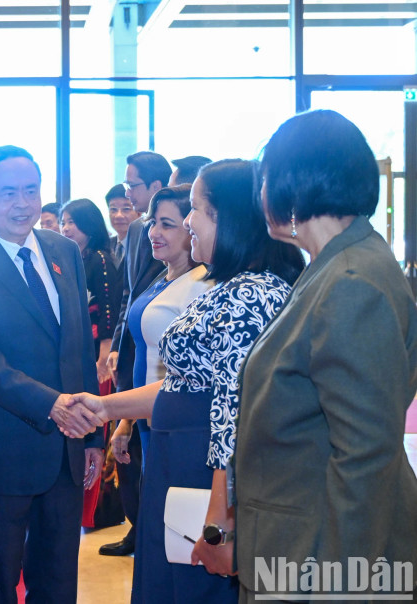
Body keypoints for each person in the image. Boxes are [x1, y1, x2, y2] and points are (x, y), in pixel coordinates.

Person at [68, 159, 304, 603]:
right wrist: (108, 408)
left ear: (227, 219)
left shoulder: (250, 294)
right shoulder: (230, 286)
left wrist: (218, 522)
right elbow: (188, 385)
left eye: (195, 209)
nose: (189, 222)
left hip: (205, 471)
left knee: (195, 586)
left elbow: (229, 416)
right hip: (180, 460)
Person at [235, 110, 417, 602]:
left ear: (291, 183)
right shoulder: (334, 265)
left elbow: (365, 456)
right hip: (294, 545)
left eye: (265, 178)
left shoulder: (351, 282)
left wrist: (342, 587)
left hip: (319, 558)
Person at [0, 145, 104, 603]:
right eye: (8, 192)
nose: (23, 203)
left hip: (67, 451)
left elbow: (79, 349)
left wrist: (92, 437)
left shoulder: (64, 251)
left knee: (57, 584)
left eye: (31, 190)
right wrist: (52, 404)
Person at [111, 184, 213, 473]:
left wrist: (110, 408)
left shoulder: (203, 283)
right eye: (153, 223)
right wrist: (127, 419)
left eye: (166, 225)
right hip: (148, 416)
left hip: (177, 421)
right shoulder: (162, 275)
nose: (153, 233)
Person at [99, 151, 171, 557]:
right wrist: (117, 342)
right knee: (129, 447)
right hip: (132, 349)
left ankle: (143, 529)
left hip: (151, 358)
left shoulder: (152, 235)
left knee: (140, 446)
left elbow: (142, 297)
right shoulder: (134, 235)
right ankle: (136, 526)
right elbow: (128, 298)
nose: (127, 193)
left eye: (133, 186)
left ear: (155, 187)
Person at [59, 198, 121, 384]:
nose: (66, 228)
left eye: (72, 222)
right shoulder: (73, 259)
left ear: (88, 223)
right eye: (63, 223)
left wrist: (105, 351)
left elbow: (108, 307)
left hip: (96, 346)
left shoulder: (99, 259)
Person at [105, 184, 140, 269]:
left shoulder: (145, 247)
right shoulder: (106, 246)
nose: (118, 215)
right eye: (113, 209)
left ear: (139, 212)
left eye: (126, 209)